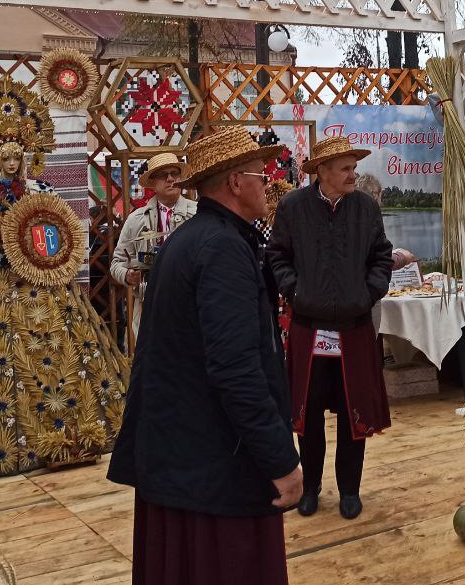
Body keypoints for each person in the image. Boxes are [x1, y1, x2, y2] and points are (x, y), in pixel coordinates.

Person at [108, 127, 302, 585]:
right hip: (213, 467)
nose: (269, 183)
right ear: (236, 182)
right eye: (261, 173)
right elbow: (235, 369)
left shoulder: (191, 238)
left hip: (182, 456)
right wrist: (280, 460)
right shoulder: (222, 250)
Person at [266, 135, 393, 521]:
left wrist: (368, 293)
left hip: (354, 328)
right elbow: (277, 256)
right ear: (322, 171)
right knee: (308, 416)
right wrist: (296, 292)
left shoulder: (366, 208)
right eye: (346, 168)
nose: (353, 174)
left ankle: (350, 491)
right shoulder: (292, 207)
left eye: (354, 167)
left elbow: (381, 257)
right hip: (310, 327)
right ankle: (311, 488)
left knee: (355, 417)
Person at [110, 151, 197, 339]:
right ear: (153, 183)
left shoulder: (198, 214)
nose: (170, 179)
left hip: (192, 304)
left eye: (175, 173)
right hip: (150, 305)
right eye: (163, 175)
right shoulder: (136, 219)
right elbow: (116, 263)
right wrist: (127, 275)